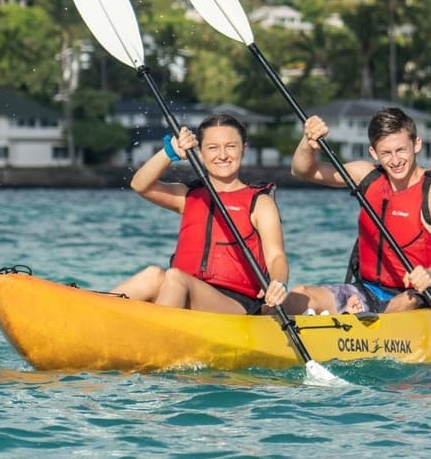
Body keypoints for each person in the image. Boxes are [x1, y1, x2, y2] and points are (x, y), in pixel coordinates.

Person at [109, 114, 305, 316]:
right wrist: (170, 152)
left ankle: (154, 339)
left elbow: (276, 257)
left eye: (231, 146)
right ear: (200, 153)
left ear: (243, 149)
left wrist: (278, 282)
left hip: (236, 304)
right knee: (153, 275)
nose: (222, 155)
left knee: (175, 278)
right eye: (212, 148)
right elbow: (140, 184)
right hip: (185, 290)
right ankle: (91, 313)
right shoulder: (189, 196)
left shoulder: (261, 203)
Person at [288, 106, 431, 314]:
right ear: (373, 152)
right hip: (366, 290)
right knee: (300, 294)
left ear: (416, 144)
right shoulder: (367, 176)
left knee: (405, 301)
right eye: (386, 153)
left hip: (417, 295)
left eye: (401, 150)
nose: (395, 160)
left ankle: (358, 318)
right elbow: (303, 171)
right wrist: (308, 143)